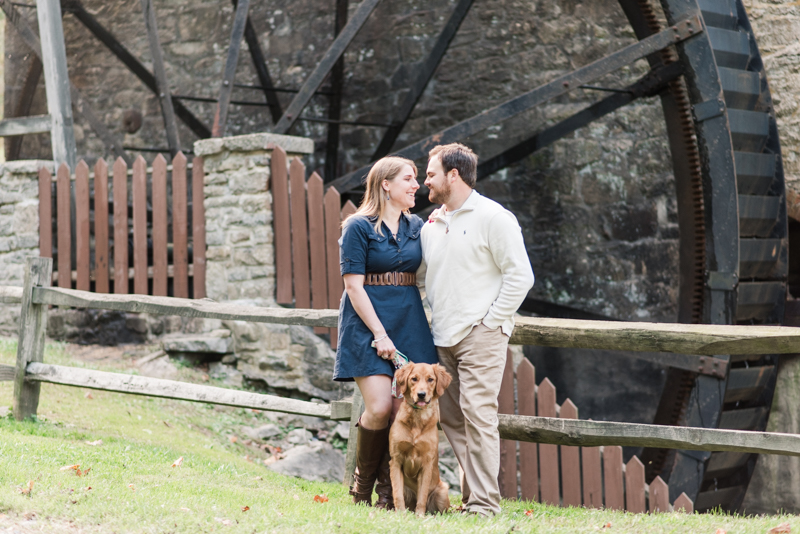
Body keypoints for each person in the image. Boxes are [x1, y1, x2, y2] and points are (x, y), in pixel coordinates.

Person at [419, 143, 535, 516]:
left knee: (479, 414)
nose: (425, 182)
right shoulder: (432, 225)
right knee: (452, 418)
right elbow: (423, 279)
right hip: (442, 337)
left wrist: (491, 320)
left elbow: (521, 276)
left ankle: (485, 505)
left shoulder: (494, 217)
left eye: (431, 174)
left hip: (480, 334)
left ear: (453, 175)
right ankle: (473, 497)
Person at [333, 156, 439, 510]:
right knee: (379, 408)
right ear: (385, 185)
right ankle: (361, 489)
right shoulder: (357, 227)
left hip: (409, 320)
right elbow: (353, 286)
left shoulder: (418, 226)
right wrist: (380, 334)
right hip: (368, 322)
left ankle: (387, 498)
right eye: (409, 179)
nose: (417, 185)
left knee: (402, 410)